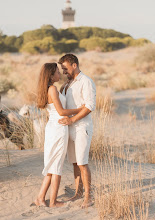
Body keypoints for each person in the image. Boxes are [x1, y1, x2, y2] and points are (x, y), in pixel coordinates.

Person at [34, 63, 84, 208]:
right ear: (50, 75)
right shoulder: (52, 89)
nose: (59, 74)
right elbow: (61, 112)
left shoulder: (52, 89)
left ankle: (40, 198)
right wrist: (80, 109)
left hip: (54, 127)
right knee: (56, 166)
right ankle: (54, 201)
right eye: (57, 72)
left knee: (52, 165)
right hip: (58, 128)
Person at [58, 54, 96, 208]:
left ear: (74, 65)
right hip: (69, 129)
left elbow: (90, 106)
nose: (63, 71)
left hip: (82, 128)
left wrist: (72, 120)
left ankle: (88, 196)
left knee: (82, 163)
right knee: (74, 163)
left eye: (65, 68)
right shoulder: (68, 84)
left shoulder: (86, 81)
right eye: (62, 69)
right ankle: (78, 192)